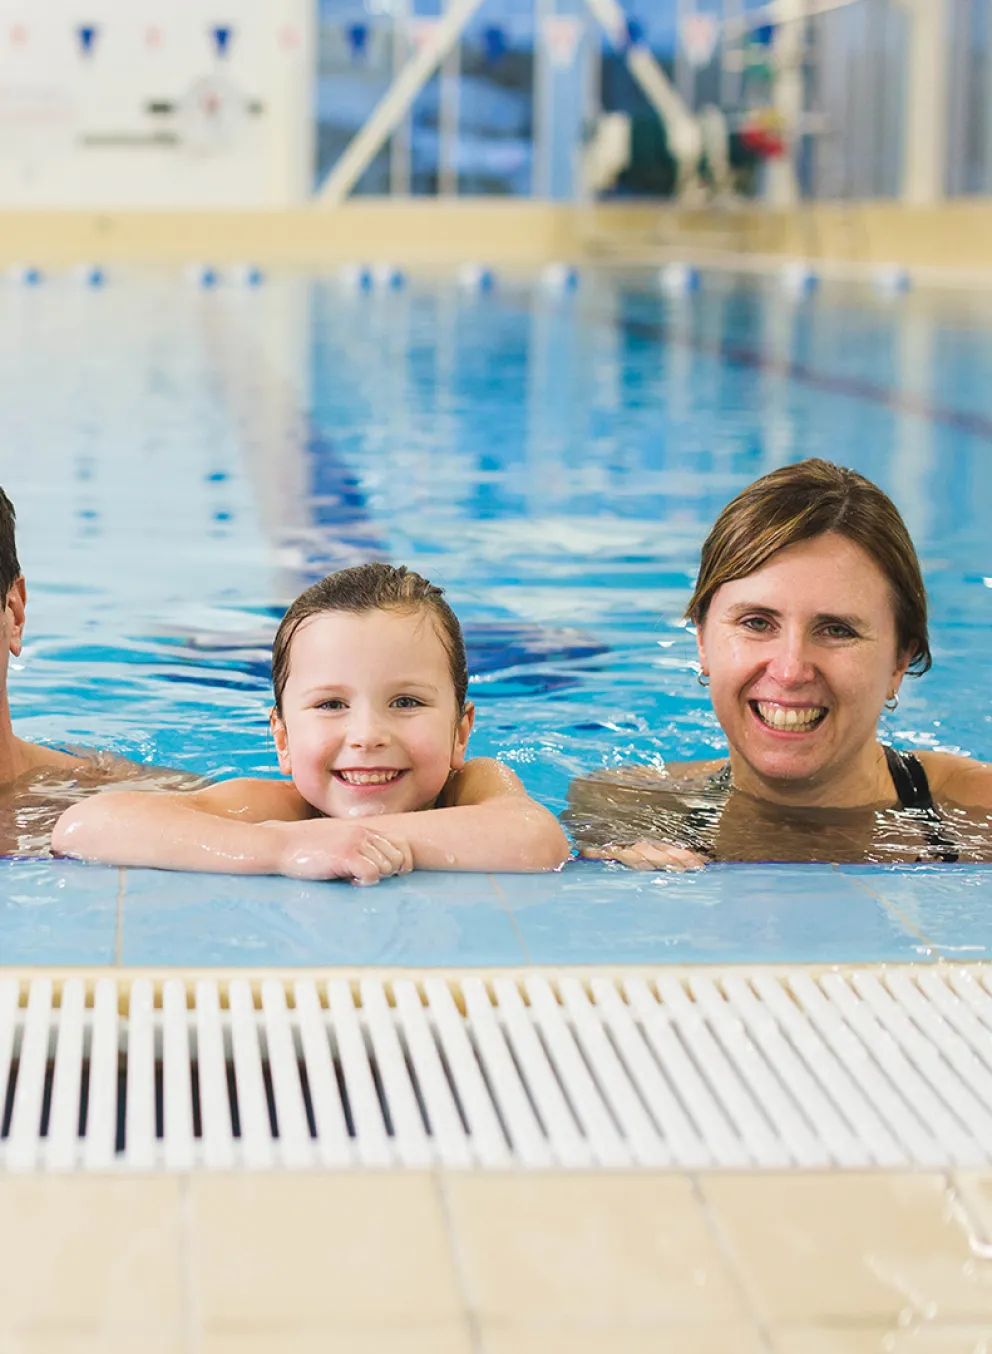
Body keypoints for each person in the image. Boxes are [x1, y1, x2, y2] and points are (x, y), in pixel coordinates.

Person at [569, 459, 992, 868]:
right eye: (756, 622)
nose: (790, 671)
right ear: (702, 641)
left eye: (837, 630)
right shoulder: (624, 809)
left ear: (900, 662)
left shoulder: (979, 814)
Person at [54, 563, 572, 882]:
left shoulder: (474, 786)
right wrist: (284, 848)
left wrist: (355, 840)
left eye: (407, 702)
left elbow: (534, 837)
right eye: (330, 706)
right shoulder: (279, 811)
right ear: (282, 740)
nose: (368, 735)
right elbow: (87, 825)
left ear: (460, 732)